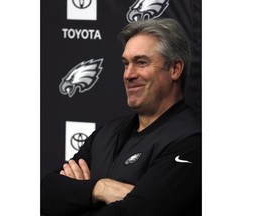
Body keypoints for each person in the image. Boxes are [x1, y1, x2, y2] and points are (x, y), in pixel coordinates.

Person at [41, 18, 201, 216]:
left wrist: (76, 200)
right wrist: (99, 188)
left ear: (175, 69)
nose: (128, 74)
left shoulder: (191, 140)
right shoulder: (107, 133)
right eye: (126, 64)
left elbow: (136, 212)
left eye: (141, 62)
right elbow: (45, 194)